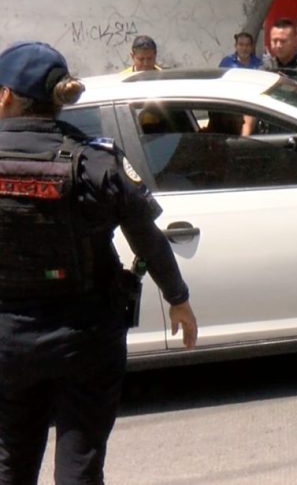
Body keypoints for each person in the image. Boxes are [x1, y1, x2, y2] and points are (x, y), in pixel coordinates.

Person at [0, 41, 198, 483]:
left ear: (6, 96)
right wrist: (178, 299)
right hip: (85, 338)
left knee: (10, 459)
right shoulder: (95, 158)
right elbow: (146, 236)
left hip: (7, 339)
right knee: (80, 466)